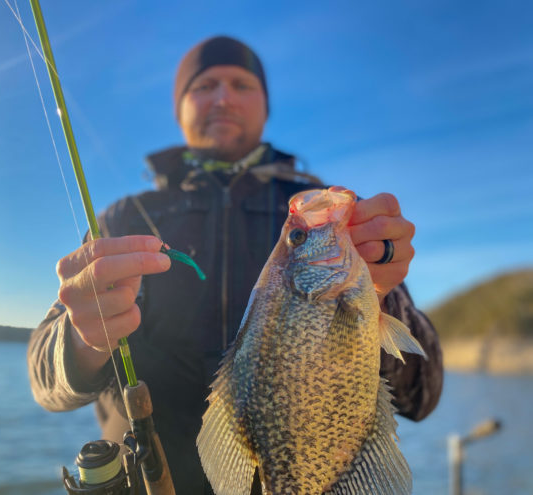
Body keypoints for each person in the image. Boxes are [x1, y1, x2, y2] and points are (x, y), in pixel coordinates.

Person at [28, 36, 443, 494]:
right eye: (204, 86)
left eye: (241, 84)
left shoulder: (336, 225)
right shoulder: (123, 220)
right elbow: (43, 381)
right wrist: (81, 338)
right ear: (180, 108)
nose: (223, 97)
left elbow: (424, 395)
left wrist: (380, 295)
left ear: (265, 105)